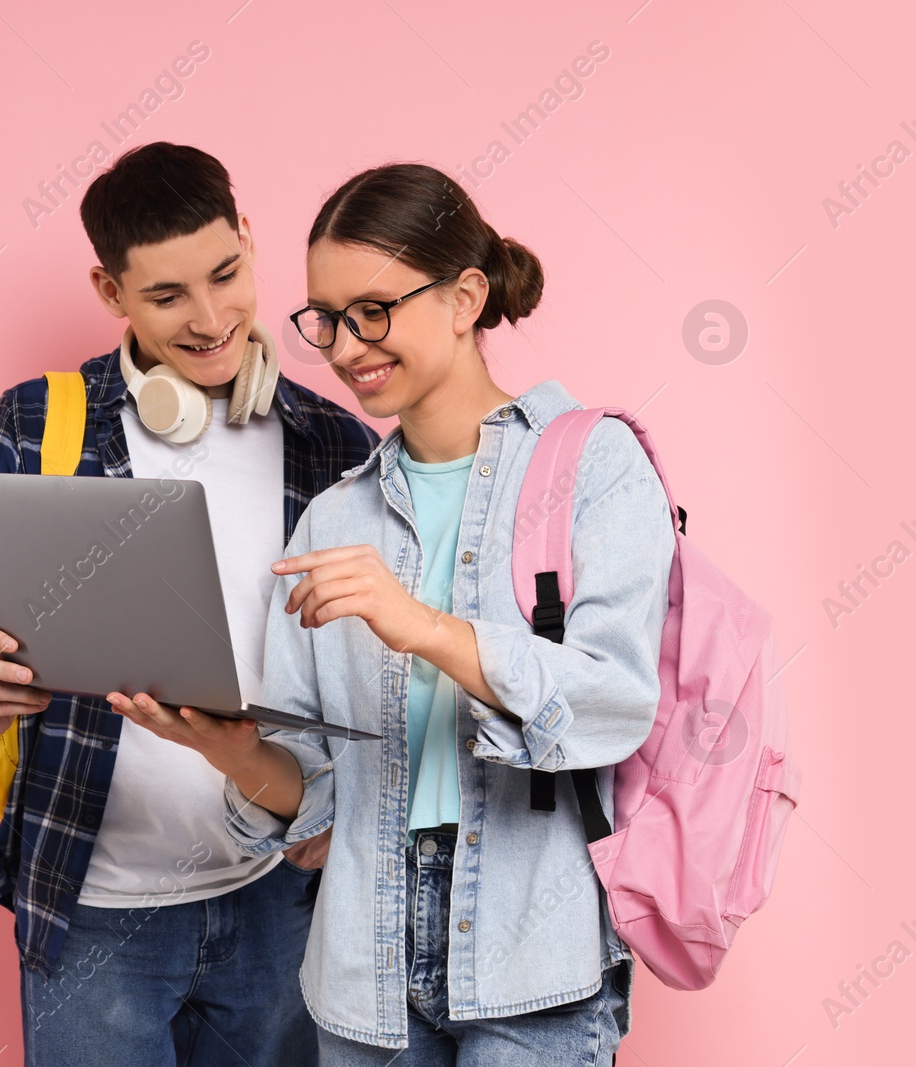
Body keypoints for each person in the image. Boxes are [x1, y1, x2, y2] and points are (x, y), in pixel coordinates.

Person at [110, 163, 676, 1065]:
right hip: (362, 968)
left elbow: (613, 700)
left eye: (371, 312)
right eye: (324, 319)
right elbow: (311, 792)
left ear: (464, 298)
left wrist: (424, 626)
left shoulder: (592, 466)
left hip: (533, 955)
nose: (342, 347)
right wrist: (220, 745)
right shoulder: (334, 517)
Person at [0, 142, 380, 1066]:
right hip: (93, 908)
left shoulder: (331, 442)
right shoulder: (39, 419)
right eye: (165, 297)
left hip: (279, 903)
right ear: (110, 291)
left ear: (248, 238)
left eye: (227, 275)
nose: (210, 321)